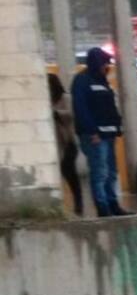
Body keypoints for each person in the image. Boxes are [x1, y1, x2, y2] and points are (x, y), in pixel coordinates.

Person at [70, 47, 127, 217]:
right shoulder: (82, 81)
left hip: (108, 135)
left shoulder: (102, 81)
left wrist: (117, 128)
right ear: (97, 63)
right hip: (94, 136)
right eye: (104, 64)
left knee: (111, 172)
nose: (106, 67)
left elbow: (109, 107)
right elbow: (81, 108)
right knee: (99, 172)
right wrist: (91, 131)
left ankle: (113, 204)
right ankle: (103, 208)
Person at [47, 73, 84, 216]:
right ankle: (71, 202)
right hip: (57, 143)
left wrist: (57, 113)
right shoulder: (48, 99)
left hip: (69, 140)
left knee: (69, 171)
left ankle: (78, 202)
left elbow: (71, 114)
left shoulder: (65, 97)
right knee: (65, 171)